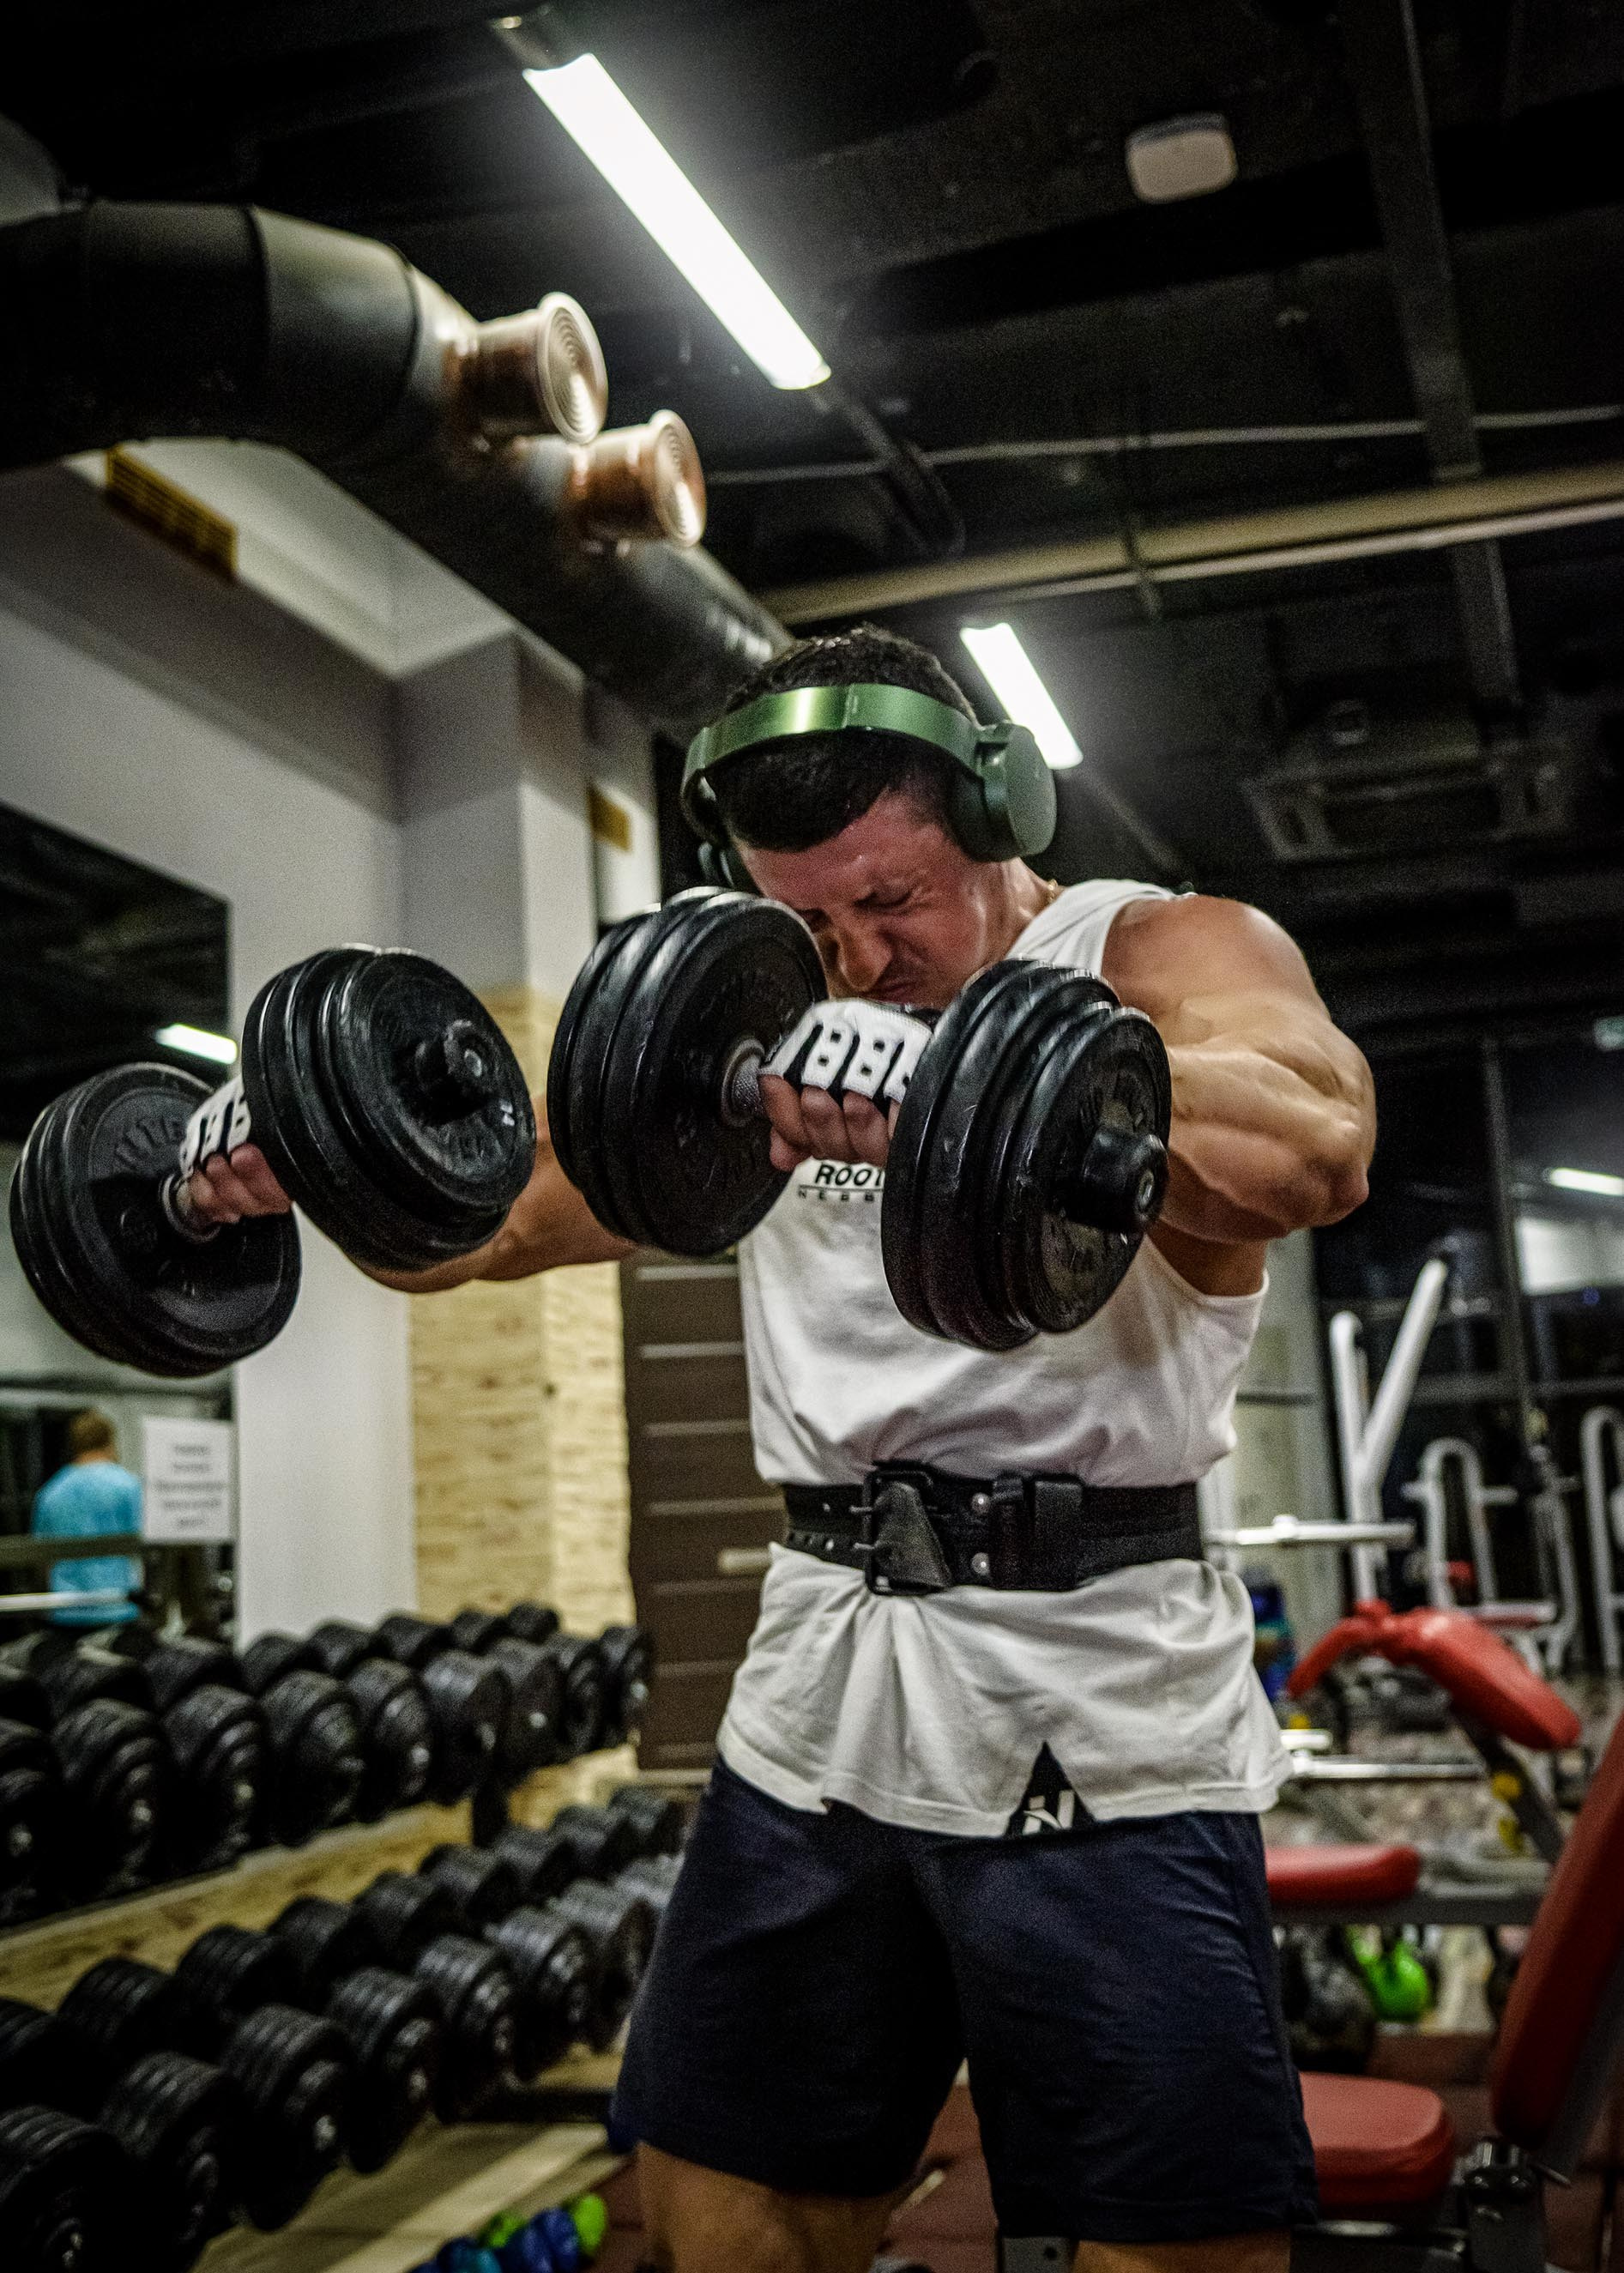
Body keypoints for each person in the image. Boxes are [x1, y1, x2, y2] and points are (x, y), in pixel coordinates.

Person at [189, 625, 1375, 2273]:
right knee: (716, 2213)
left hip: (1095, 1700)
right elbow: (484, 1225)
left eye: (891, 902)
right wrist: (315, 1153)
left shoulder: (1154, 945)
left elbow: (1314, 1146)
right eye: (813, 919)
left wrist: (963, 1076)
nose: (859, 957)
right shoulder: (766, 1028)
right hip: (819, 1687)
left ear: (994, 807)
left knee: (1172, 2245)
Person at [31, 1408, 143, 1626]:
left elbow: (42, 1558)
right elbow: (145, 1545)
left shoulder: (51, 1492)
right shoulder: (128, 1485)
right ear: (110, 1441)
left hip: (66, 1611)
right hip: (118, 1608)